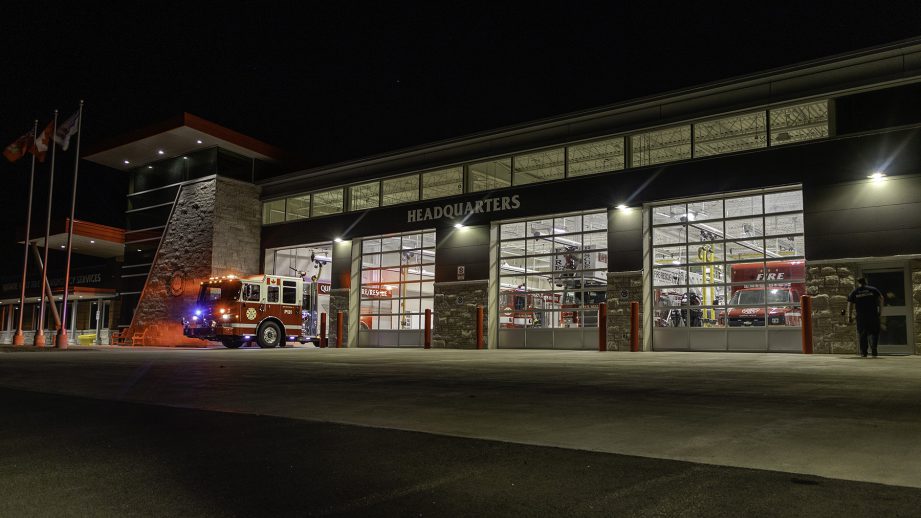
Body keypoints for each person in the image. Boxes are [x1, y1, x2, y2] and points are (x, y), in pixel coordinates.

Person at [846, 277, 884, 358]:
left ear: (858, 283)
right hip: (873, 315)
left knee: (862, 334)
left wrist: (849, 316)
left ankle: (864, 352)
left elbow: (850, 304)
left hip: (861, 316)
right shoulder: (873, 289)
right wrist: (880, 311)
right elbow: (881, 298)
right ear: (866, 282)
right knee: (874, 332)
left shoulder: (855, 291)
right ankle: (874, 349)